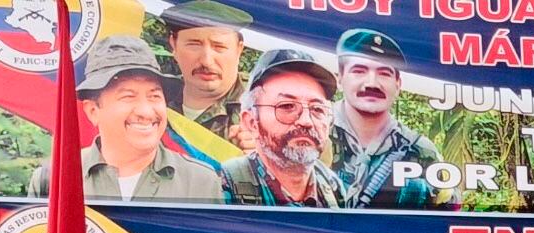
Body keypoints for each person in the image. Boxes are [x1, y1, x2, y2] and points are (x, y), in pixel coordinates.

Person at [28, 36, 222, 201]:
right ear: (93, 111)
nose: (146, 112)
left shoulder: (199, 182)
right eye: (128, 97)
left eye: (154, 96)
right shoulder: (54, 179)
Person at [330, 28, 448, 209]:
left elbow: (446, 216)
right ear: (340, 79)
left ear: (398, 84)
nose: (371, 83)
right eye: (359, 71)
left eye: (384, 73)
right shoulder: (310, 133)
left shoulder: (422, 151)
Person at [220, 48, 343, 207]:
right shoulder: (222, 187)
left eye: (317, 109)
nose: (306, 121)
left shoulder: (333, 188)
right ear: (251, 122)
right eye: (287, 106)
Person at [160, 0, 255, 148]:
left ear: (239, 50)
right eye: (194, 45)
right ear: (174, 45)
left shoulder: (265, 107)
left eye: (219, 47)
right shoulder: (154, 95)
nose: (206, 61)